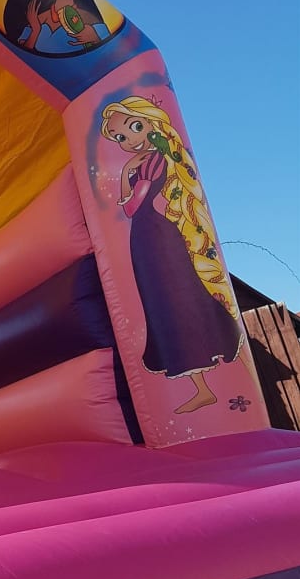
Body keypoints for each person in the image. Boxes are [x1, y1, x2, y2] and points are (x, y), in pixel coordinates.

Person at [101, 96, 244, 413]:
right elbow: (128, 205)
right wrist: (126, 173)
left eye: (133, 128)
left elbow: (132, 205)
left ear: (151, 122)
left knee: (174, 302)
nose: (128, 141)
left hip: (156, 234)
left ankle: (204, 388)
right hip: (144, 236)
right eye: (120, 137)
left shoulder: (157, 159)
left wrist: (128, 173)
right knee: (163, 303)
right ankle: (202, 387)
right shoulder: (142, 163)